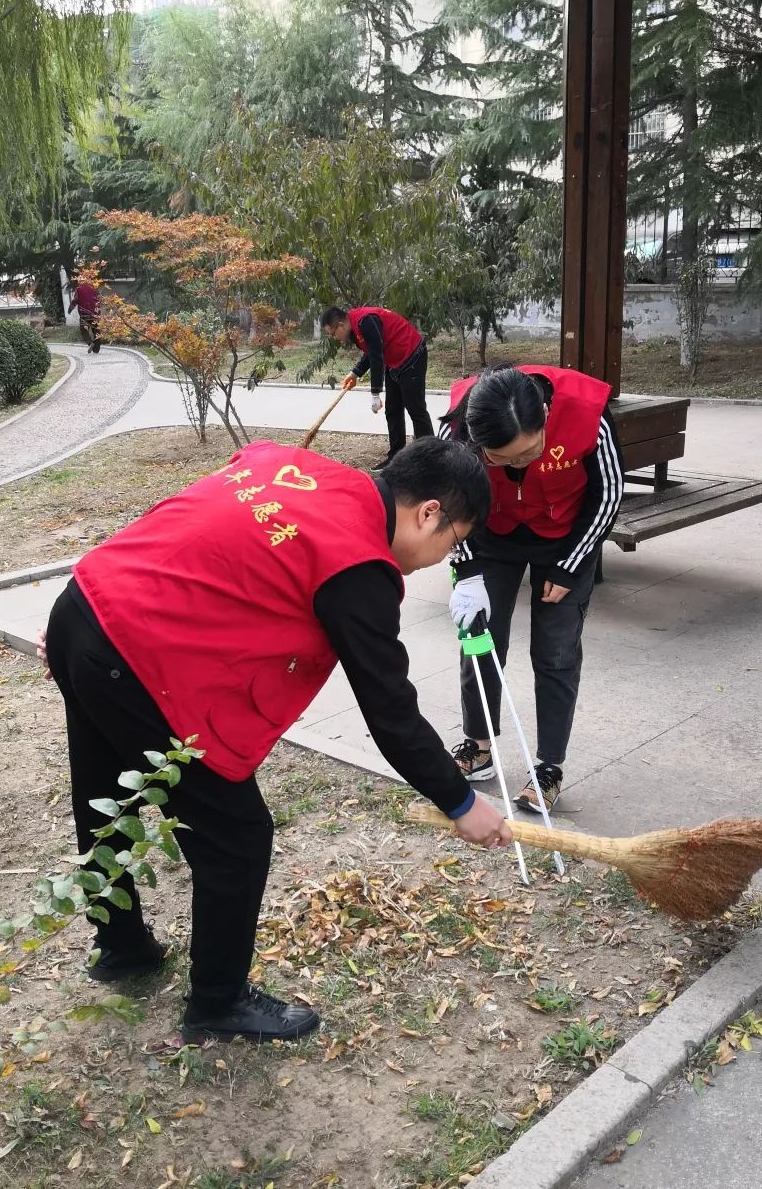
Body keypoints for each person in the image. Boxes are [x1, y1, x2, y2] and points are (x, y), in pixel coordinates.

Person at [38, 437, 512, 1047]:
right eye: (453, 540)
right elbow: (390, 711)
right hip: (130, 652)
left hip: (87, 604)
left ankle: (122, 947)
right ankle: (217, 1001)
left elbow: (216, 502)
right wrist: (461, 802)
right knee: (236, 836)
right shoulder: (359, 567)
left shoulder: (298, 466)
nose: (441, 558)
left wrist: (84, 626)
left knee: (106, 799)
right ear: (429, 513)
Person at [440, 364, 624, 814]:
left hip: (564, 541)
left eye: (527, 452)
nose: (518, 464)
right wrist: (465, 570)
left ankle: (548, 767)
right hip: (491, 538)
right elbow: (445, 498)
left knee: (556, 653)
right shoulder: (462, 428)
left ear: (544, 413)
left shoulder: (588, 418)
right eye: (502, 458)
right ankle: (478, 746)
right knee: (479, 642)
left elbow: (610, 494)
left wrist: (570, 567)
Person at [321, 305, 434, 470]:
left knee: (416, 409)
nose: (335, 338)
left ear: (341, 325)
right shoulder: (354, 327)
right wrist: (355, 373)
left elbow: (376, 354)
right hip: (394, 360)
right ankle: (396, 458)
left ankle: (431, 458)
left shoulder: (365, 321)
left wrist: (375, 393)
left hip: (411, 355)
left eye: (333, 334)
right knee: (392, 409)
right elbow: (372, 351)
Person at [67, 272, 101, 354]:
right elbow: (99, 300)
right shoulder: (94, 288)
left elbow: (75, 301)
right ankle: (96, 349)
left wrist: (70, 309)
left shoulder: (79, 289)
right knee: (96, 331)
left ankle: (90, 343)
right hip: (95, 314)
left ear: (81, 281)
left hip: (84, 315)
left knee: (84, 331)